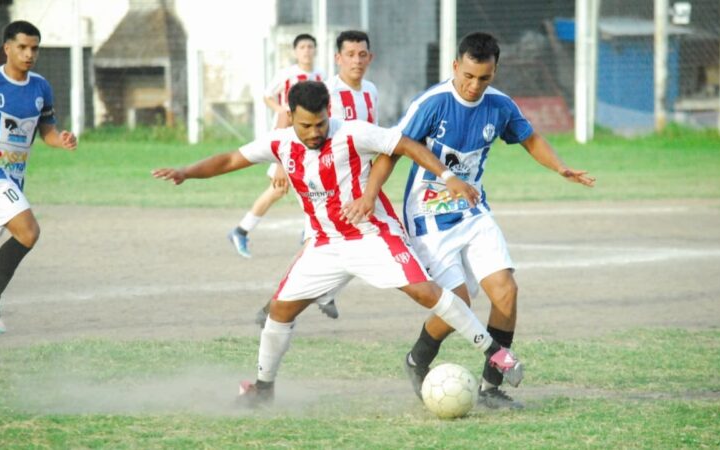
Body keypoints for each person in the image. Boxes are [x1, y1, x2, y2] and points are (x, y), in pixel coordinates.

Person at [152, 81, 524, 407]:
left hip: (372, 235)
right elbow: (231, 158)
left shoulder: (352, 132)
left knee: (427, 292)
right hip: (324, 245)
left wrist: (445, 175)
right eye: (305, 125)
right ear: (292, 118)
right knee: (280, 311)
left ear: (328, 112)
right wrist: (187, 172)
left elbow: (405, 144)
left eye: (319, 124)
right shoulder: (281, 142)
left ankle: (494, 353)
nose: (314, 132)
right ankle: (264, 389)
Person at [361, 32, 595, 409]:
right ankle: (418, 358)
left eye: (483, 78)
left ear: (494, 72)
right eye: (467, 75)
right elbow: (393, 150)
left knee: (506, 290)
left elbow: (530, 138)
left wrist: (560, 167)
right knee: (457, 304)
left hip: (473, 211)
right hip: (428, 215)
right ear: (455, 66)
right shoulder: (432, 103)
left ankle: (491, 388)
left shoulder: (499, 106)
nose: (473, 86)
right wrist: (371, 194)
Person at [0, 20, 78, 333]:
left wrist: (59, 140)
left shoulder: (40, 87)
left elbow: (45, 129)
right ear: (7, 47)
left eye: (34, 48)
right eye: (22, 47)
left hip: (12, 179)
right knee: (28, 232)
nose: (28, 53)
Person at [252, 29, 379, 326]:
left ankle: (313, 295)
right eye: (350, 55)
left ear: (369, 58)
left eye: (362, 55)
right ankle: (278, 306)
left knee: (352, 244)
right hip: (325, 179)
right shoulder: (327, 90)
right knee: (327, 245)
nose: (356, 61)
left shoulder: (371, 90)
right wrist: (282, 164)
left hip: (357, 180)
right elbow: (289, 117)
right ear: (338, 58)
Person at [227, 33, 324, 259]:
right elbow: (267, 95)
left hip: (309, 137)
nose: (307, 51)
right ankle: (241, 231)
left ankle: (310, 231)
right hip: (287, 137)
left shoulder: (320, 75)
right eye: (302, 47)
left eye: (310, 46)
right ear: (295, 51)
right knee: (282, 187)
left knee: (314, 182)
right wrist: (281, 111)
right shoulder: (288, 74)